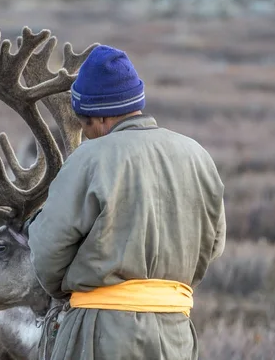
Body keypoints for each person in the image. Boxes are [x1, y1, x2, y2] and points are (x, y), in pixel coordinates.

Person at [27, 45, 226, 359]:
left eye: (87, 125)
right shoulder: (198, 156)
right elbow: (214, 245)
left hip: (98, 332)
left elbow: (47, 250)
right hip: (175, 334)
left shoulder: (89, 159)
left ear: (102, 116)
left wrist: (71, 287)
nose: (88, 134)